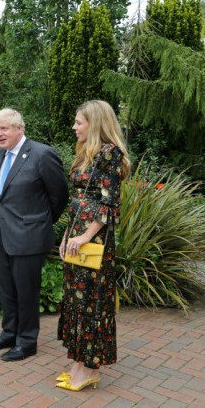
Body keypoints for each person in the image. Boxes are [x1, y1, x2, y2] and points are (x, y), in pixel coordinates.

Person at [0, 108, 69, 361]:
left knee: (27, 292)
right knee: (6, 290)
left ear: (20, 128)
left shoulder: (42, 154)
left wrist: (39, 223)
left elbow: (60, 196)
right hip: (2, 235)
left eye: (4, 128)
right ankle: (9, 334)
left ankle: (27, 341)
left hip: (29, 237)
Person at [56, 100, 130, 391]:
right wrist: (66, 236)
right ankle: (78, 363)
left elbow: (108, 205)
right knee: (77, 301)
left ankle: (89, 369)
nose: (74, 127)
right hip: (78, 235)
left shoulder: (110, 154)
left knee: (91, 302)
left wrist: (85, 237)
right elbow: (79, 202)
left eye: (79, 122)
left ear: (95, 123)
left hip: (94, 240)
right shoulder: (88, 153)